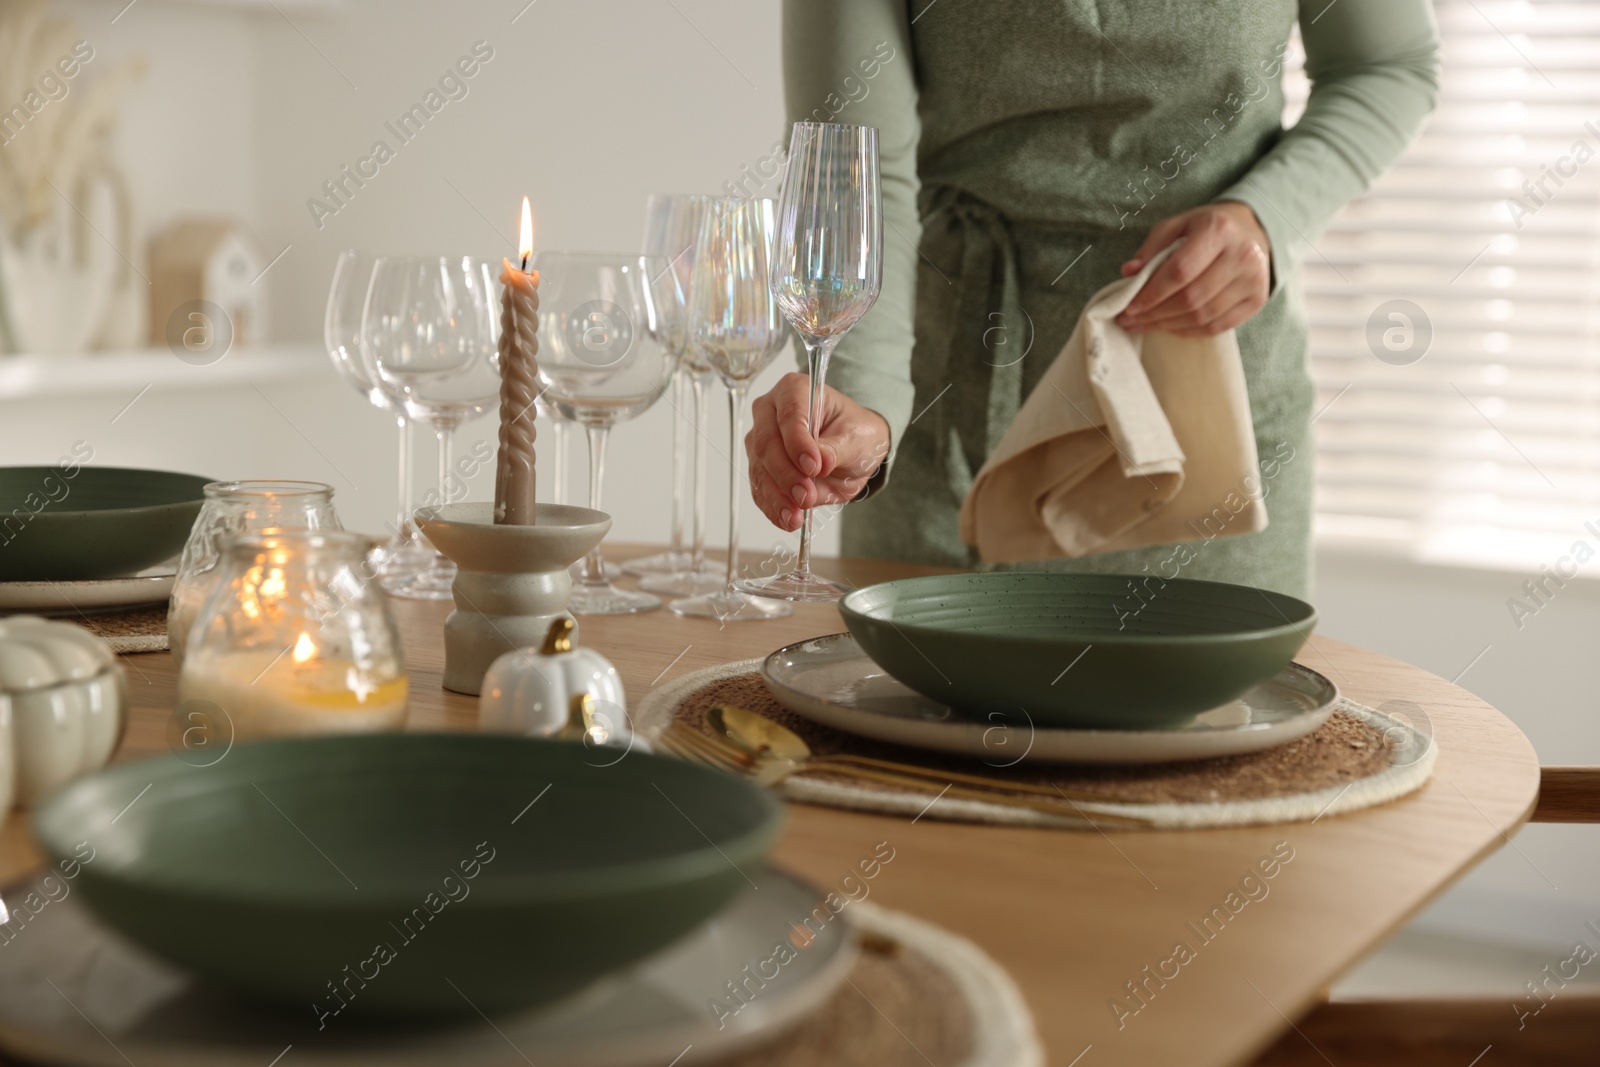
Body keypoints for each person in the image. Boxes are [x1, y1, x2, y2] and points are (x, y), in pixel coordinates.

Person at [745, 0, 1441, 599]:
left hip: (1208, 423)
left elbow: (1388, 64)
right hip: (946, 418)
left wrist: (1269, 218)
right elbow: (853, 162)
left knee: (1219, 743)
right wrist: (863, 403)